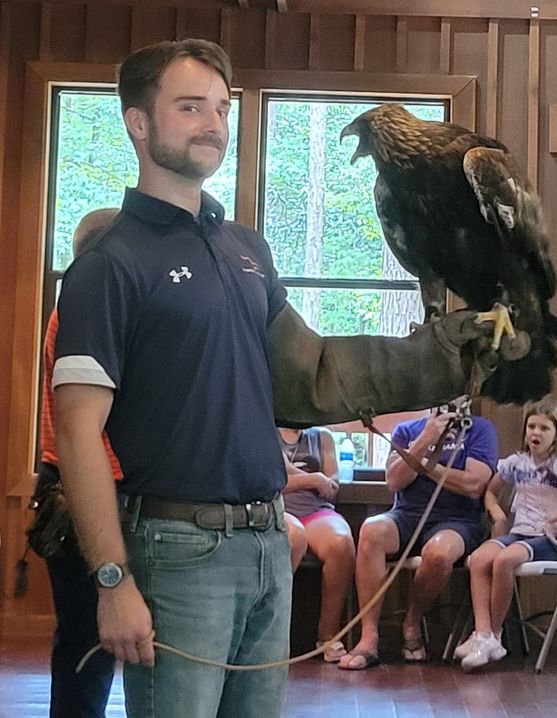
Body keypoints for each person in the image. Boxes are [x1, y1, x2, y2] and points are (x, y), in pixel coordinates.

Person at [53, 39, 513, 717]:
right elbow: (76, 433)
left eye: (220, 107)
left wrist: (445, 354)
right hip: (176, 549)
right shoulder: (108, 263)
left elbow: (312, 376)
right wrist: (113, 579)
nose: (213, 123)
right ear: (138, 123)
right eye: (189, 107)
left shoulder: (245, 250)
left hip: (268, 541)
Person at [31, 209, 120, 718]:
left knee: (85, 641)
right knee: (88, 644)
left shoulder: (76, 309)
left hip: (71, 484)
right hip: (78, 489)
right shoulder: (85, 313)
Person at [339, 408, 498, 669]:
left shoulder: (479, 429)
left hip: (457, 521)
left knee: (438, 553)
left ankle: (412, 620)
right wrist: (425, 440)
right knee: (371, 530)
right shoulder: (407, 430)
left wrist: (424, 466)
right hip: (407, 515)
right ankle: (369, 639)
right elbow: (394, 481)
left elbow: (473, 485)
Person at [455, 399, 557, 671]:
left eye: (544, 428)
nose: (536, 433)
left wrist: (555, 518)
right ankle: (482, 634)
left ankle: (494, 633)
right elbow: (491, 491)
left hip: (548, 540)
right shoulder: (515, 462)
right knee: (479, 558)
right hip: (519, 533)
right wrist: (497, 513)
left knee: (504, 560)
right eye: (531, 426)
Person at [278, 425, 355, 663]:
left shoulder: (323, 437)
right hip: (279, 509)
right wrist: (313, 478)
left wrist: (293, 476)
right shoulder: (263, 430)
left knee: (341, 543)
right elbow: (270, 480)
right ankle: (274, 637)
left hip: (315, 511)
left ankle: (328, 636)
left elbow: (332, 484)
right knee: (294, 536)